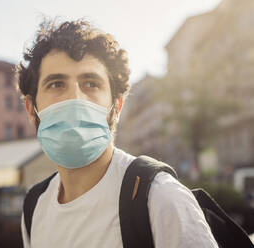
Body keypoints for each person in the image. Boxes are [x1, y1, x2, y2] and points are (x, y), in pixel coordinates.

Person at [18, 19, 218, 248]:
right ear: (31, 109)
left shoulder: (160, 199)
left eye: (91, 83)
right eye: (56, 84)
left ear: (117, 106)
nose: (75, 98)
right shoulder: (34, 207)